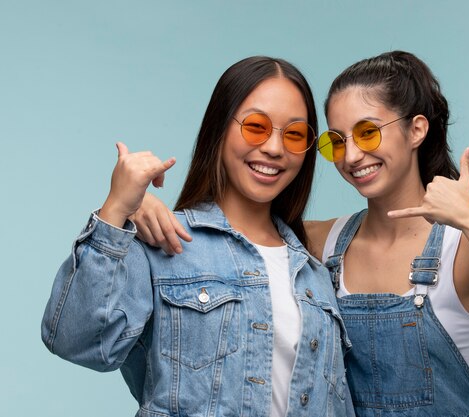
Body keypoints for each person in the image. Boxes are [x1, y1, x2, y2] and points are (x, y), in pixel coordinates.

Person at [132, 51, 469, 416]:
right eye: (336, 141)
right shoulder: (321, 243)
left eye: (367, 132)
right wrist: (138, 207)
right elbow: (225, 238)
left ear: (417, 129)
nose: (352, 155)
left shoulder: (468, 243)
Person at [41, 56, 355, 417]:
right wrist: (116, 208)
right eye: (256, 126)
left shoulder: (314, 272)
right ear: (220, 129)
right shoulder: (163, 241)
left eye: (295, 134)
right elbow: (77, 342)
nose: (274, 148)